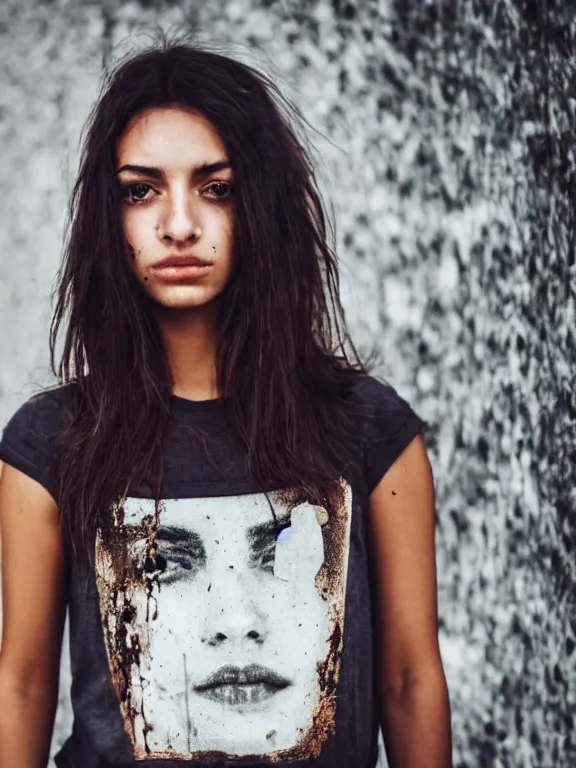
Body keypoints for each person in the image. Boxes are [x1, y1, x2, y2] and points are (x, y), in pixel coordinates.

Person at [0, 36, 452, 768]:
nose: (179, 225)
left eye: (217, 187)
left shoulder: (369, 430)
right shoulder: (50, 444)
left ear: (262, 205)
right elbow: (19, 685)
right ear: (107, 221)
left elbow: (408, 680)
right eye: (141, 191)